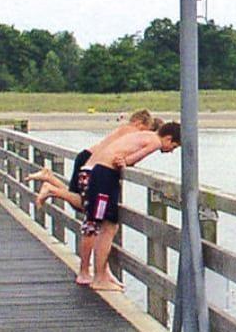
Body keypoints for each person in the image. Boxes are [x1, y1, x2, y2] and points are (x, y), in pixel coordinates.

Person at [77, 121, 179, 289]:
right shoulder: (155, 141)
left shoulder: (144, 135)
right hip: (104, 176)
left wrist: (124, 160)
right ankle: (97, 277)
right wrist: (125, 161)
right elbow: (129, 160)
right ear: (168, 138)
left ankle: (101, 273)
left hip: (101, 173)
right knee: (103, 226)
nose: (171, 151)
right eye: (173, 146)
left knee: (109, 225)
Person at [32, 110, 155, 211]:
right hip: (90, 160)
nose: (145, 134)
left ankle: (49, 178)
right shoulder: (131, 131)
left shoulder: (122, 129)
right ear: (139, 123)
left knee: (76, 198)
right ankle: (50, 187)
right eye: (145, 130)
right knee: (83, 203)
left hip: (86, 157)